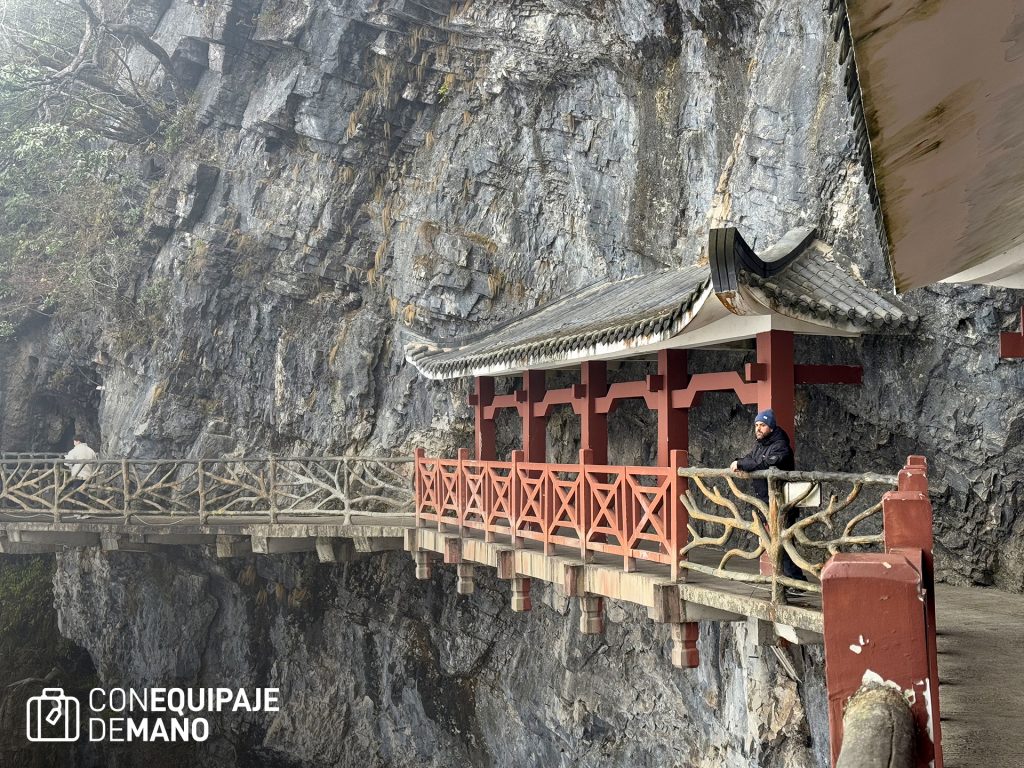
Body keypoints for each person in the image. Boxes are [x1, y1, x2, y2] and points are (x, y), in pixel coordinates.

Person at [729, 409, 806, 583]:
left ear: (771, 427)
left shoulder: (780, 446)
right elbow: (751, 459)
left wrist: (740, 464)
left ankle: (796, 581)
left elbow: (762, 463)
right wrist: (740, 462)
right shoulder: (760, 445)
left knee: (783, 545)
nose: (758, 428)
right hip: (767, 503)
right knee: (777, 543)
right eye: (756, 425)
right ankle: (789, 582)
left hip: (782, 503)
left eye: (762, 425)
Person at [65, 435, 97, 506]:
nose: (73, 443)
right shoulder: (91, 450)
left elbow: (67, 462)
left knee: (79, 494)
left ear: (78, 441)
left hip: (78, 475)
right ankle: (81, 510)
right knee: (83, 492)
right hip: (88, 475)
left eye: (74, 441)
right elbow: (95, 462)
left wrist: (66, 459)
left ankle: (82, 512)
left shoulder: (75, 450)